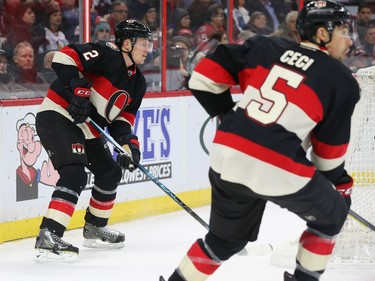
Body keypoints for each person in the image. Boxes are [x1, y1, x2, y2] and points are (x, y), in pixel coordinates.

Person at [160, 1, 359, 281]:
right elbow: (327, 159)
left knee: (224, 241)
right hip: (277, 165)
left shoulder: (264, 46)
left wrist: (227, 116)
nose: (349, 40)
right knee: (331, 218)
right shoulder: (341, 79)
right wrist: (341, 183)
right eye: (343, 30)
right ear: (322, 34)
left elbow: (202, 79)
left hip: (226, 154)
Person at [34, 19, 153, 261]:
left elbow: (123, 120)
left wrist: (129, 144)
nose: (148, 48)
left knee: (110, 172)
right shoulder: (107, 53)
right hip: (59, 115)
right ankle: (49, 235)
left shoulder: (138, 82)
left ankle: (94, 227)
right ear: (127, 43)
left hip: (88, 127)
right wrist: (78, 89)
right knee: (74, 173)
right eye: (144, 43)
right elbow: (63, 58)